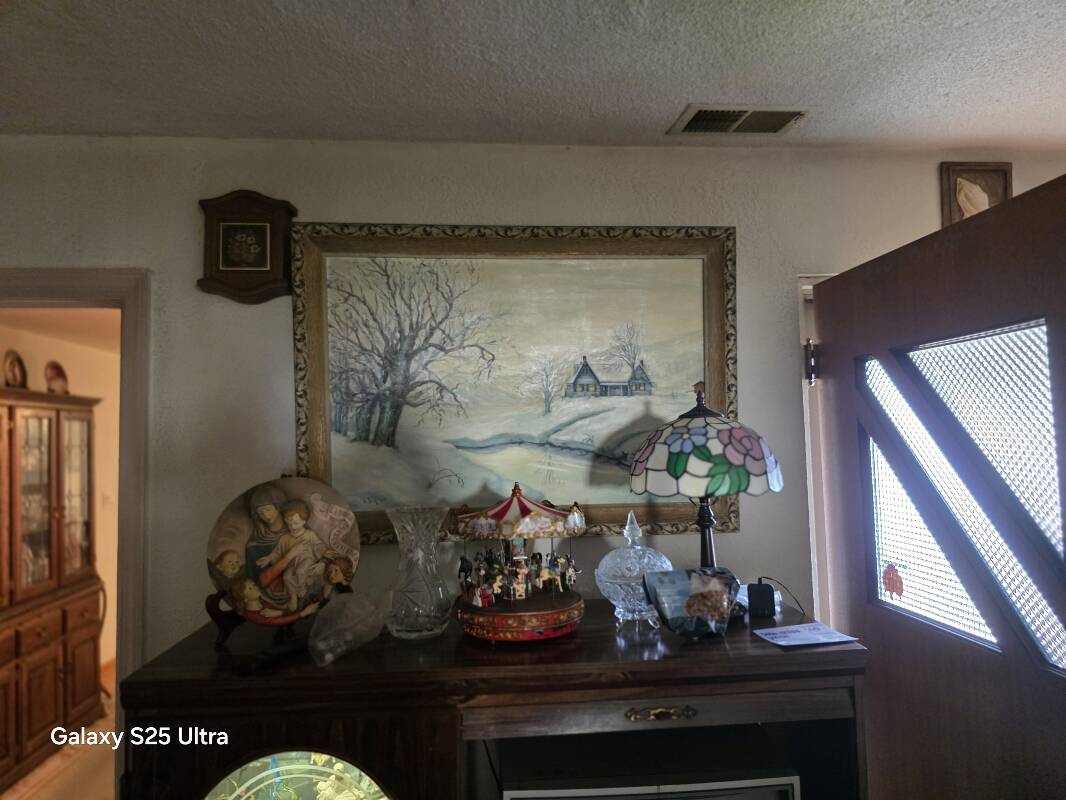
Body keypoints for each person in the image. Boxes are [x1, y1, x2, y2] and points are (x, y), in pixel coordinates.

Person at [256, 499, 327, 612]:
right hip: (292, 564)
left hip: (307, 561)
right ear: (285, 520)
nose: (292, 526)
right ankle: (293, 596)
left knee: (301, 571)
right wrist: (268, 558)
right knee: (286, 577)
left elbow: (320, 548)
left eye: (296, 523)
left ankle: (301, 588)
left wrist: (321, 559)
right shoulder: (285, 538)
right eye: (289, 523)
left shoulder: (310, 535)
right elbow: (277, 552)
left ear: (304, 521)